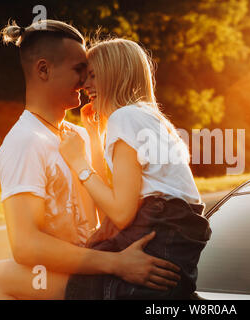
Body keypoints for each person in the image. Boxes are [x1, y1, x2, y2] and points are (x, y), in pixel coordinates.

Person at [0, 19, 181, 300]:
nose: (86, 81)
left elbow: (108, 211)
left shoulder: (79, 135)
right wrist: (117, 264)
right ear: (43, 69)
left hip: (93, 265)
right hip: (84, 269)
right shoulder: (24, 141)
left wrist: (95, 139)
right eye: (79, 70)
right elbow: (25, 246)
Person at [58, 38, 211, 300]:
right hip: (173, 234)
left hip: (161, 228)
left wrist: (77, 162)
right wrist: (95, 136)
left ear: (116, 75)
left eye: (93, 76)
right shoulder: (148, 117)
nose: (85, 85)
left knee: (77, 282)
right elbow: (113, 198)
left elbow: (120, 212)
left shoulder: (125, 117)